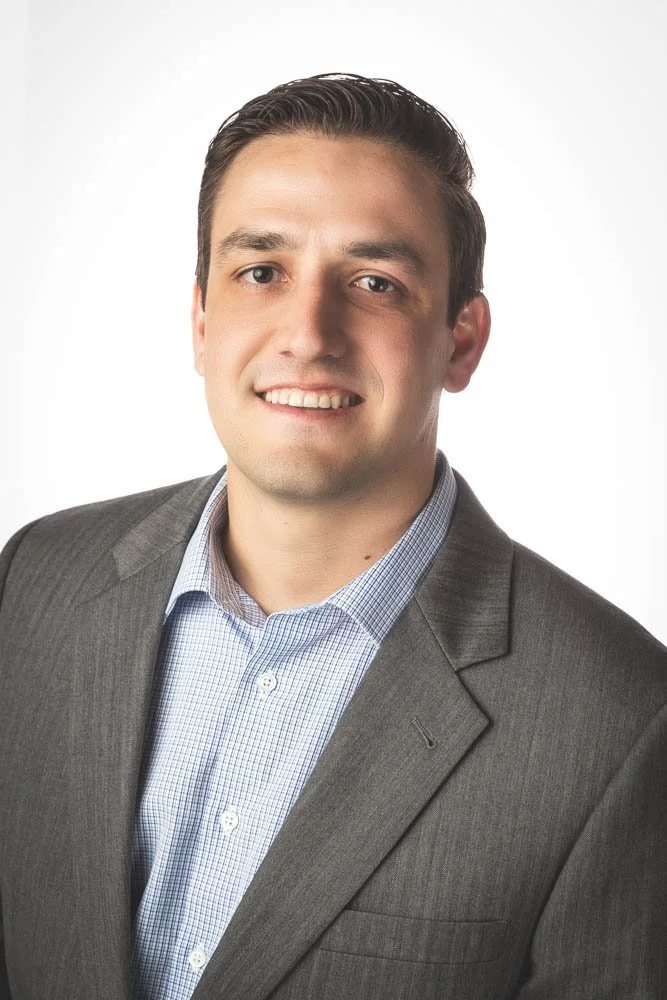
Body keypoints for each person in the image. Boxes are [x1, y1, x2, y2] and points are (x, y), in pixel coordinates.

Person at [0, 72, 665, 1000]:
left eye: (374, 282)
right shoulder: (35, 582)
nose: (308, 333)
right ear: (201, 320)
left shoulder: (618, 723)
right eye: (260, 271)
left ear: (461, 341)